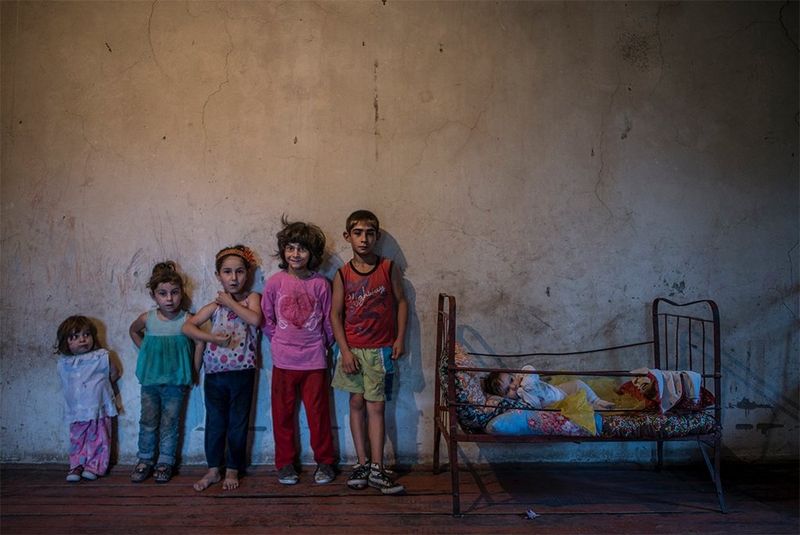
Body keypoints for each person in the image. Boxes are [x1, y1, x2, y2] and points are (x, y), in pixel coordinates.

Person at [330, 210, 408, 495]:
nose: (364, 239)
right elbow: (335, 315)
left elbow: (401, 302)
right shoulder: (342, 274)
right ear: (347, 236)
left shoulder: (388, 268)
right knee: (356, 404)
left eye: (370, 233)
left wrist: (399, 338)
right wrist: (345, 351)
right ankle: (361, 464)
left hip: (379, 351)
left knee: (377, 407)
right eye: (358, 232)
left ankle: (377, 467)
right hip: (352, 352)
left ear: (377, 236)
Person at [261, 217, 337, 486]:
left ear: (312, 254)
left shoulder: (320, 284)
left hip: (314, 360)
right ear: (283, 251)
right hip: (283, 361)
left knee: (318, 415)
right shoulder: (275, 283)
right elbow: (267, 319)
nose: (295, 254)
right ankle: (284, 464)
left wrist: (322, 346)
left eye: (302, 249)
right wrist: (281, 342)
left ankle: (325, 463)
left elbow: (329, 321)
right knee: (282, 415)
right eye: (290, 248)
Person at [183, 245, 262, 491]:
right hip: (215, 374)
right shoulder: (215, 306)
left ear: (247, 274)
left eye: (239, 272)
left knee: (238, 422)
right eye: (227, 272)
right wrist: (211, 339)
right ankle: (213, 469)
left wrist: (230, 301)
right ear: (219, 275)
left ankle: (232, 469)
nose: (234, 277)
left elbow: (255, 320)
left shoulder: (251, 299)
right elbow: (187, 327)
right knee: (215, 422)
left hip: (242, 372)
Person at [129, 261, 201, 483]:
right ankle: (145, 459)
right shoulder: (147, 319)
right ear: (154, 296)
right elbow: (133, 331)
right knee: (148, 420)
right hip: (150, 381)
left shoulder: (187, 319)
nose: (169, 299)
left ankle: (166, 461)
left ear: (182, 293)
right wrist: (147, 352)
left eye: (175, 293)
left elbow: (200, 343)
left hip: (176, 382)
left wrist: (194, 370)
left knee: (170, 422)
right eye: (163, 293)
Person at [56, 315, 120, 482]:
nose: (82, 339)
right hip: (77, 410)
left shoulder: (101, 356)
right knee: (77, 438)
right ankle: (76, 465)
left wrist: (100, 389)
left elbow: (114, 373)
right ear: (66, 342)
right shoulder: (64, 362)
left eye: (86, 334)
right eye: (75, 337)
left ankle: (94, 466)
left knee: (99, 437)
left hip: (98, 407)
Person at [485, 365, 615, 410]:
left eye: (511, 380)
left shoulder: (523, 376)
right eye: (508, 390)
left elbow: (530, 369)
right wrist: (522, 391)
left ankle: (597, 400)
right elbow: (535, 405)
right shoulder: (521, 400)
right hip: (557, 404)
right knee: (581, 406)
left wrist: (523, 382)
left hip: (556, 390)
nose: (513, 386)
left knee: (578, 384)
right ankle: (597, 407)